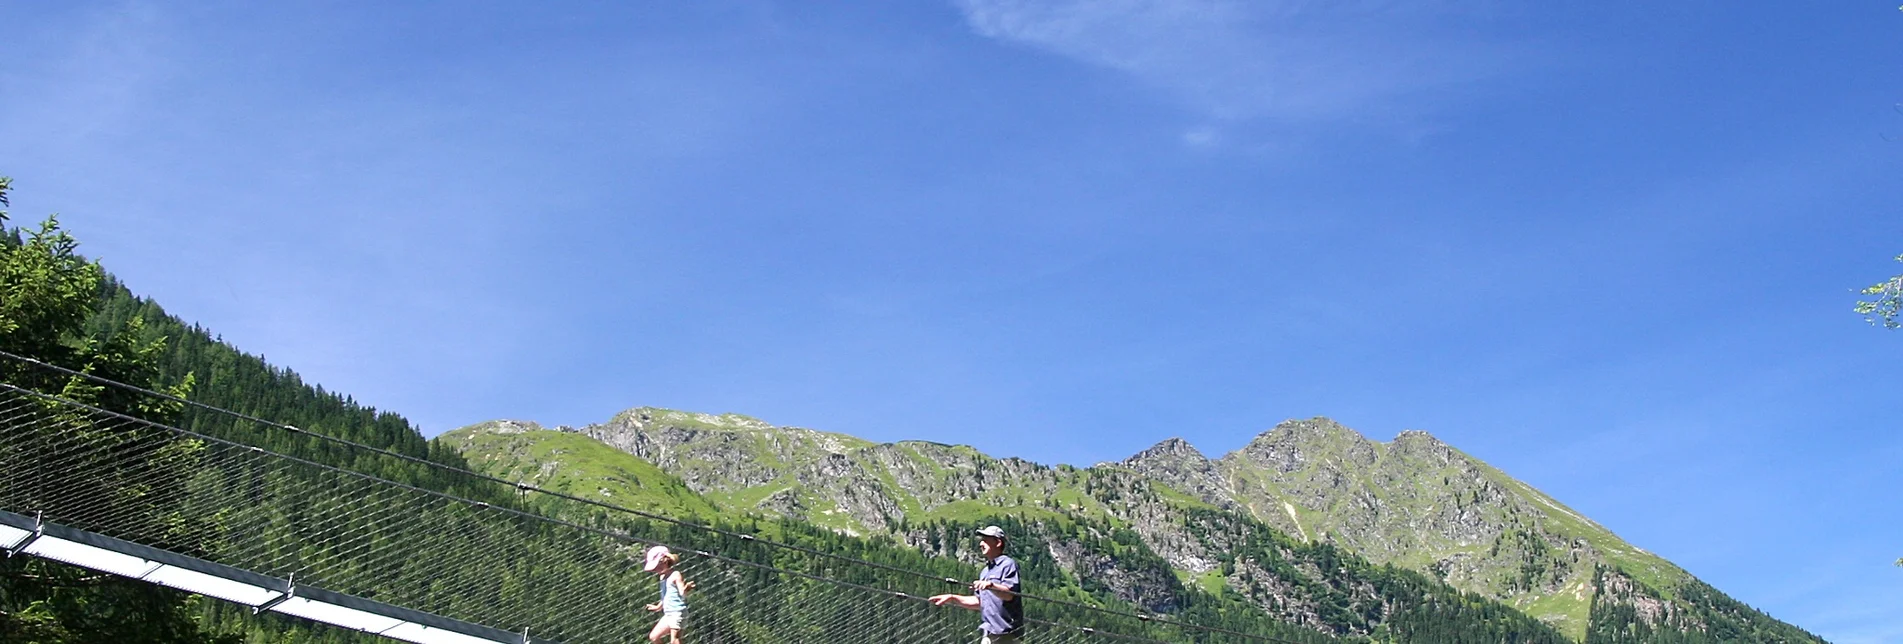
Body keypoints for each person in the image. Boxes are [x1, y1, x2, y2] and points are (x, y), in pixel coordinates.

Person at [929, 525, 1024, 643]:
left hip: (1006, 635)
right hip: (989, 634)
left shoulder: (1008, 564)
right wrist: (952, 598)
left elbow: (1009, 594)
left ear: (998, 543)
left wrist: (990, 586)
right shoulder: (985, 572)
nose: (981, 544)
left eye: (985, 540)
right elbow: (979, 602)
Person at [643, 545, 696, 644]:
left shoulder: (675, 575)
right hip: (668, 614)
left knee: (675, 640)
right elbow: (665, 596)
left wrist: (686, 588)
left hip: (677, 612)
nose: (655, 570)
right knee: (654, 637)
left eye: (656, 567)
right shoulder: (662, 577)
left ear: (664, 561)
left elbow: (682, 593)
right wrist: (658, 607)